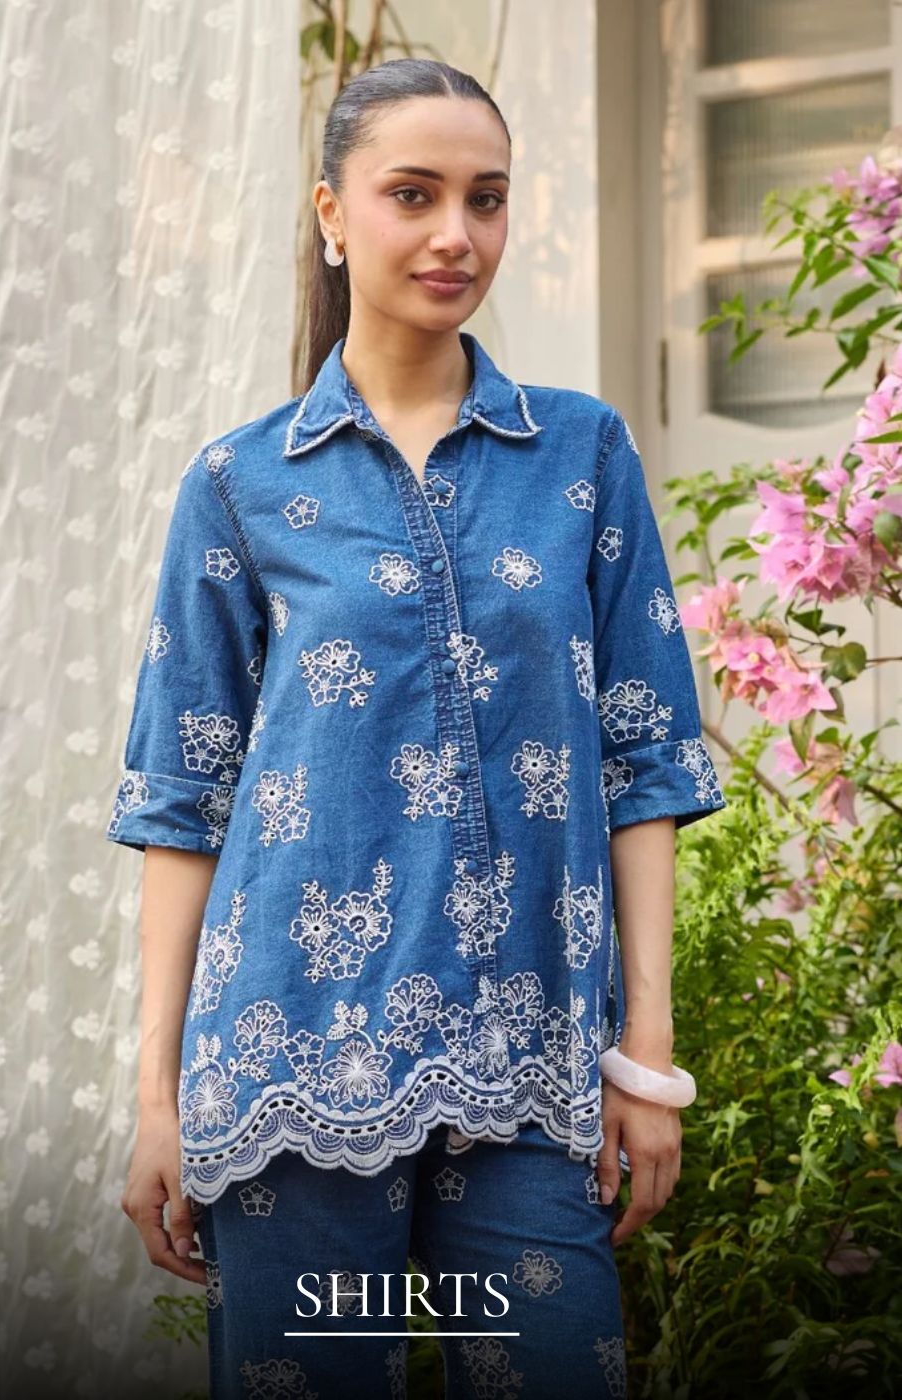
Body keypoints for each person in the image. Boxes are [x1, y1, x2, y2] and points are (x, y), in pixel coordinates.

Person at [109, 56, 726, 1400]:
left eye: (485, 198)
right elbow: (181, 802)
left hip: (535, 1071)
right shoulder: (239, 483)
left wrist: (649, 1059)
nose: (457, 233)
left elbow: (645, 761)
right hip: (288, 1070)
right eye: (414, 194)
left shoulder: (583, 456)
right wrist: (159, 1099)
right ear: (333, 213)